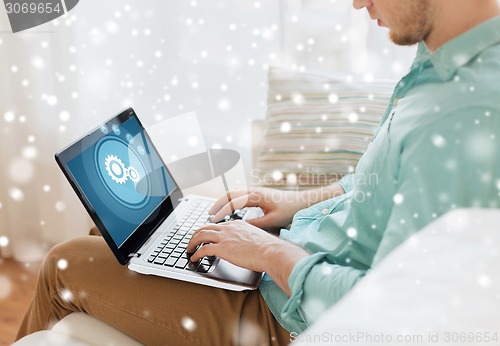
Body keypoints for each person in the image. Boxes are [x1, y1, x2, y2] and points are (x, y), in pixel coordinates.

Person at [17, 0, 500, 344]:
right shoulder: (440, 60)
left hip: (286, 319)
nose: (356, 4)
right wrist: (297, 204)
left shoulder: (463, 113)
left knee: (64, 263)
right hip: (291, 264)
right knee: (124, 240)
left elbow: (396, 312)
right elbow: (378, 188)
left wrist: (271, 254)